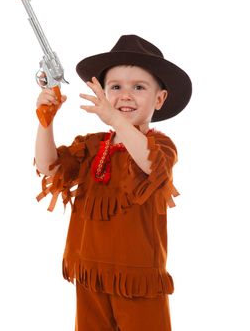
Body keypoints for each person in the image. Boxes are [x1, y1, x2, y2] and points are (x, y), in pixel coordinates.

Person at [34, 34, 192, 331]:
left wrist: (115, 120)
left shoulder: (161, 147)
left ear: (160, 99)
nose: (126, 95)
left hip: (138, 281)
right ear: (104, 94)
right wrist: (46, 122)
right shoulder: (91, 146)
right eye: (116, 87)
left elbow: (150, 164)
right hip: (90, 274)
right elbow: (50, 168)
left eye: (139, 87)